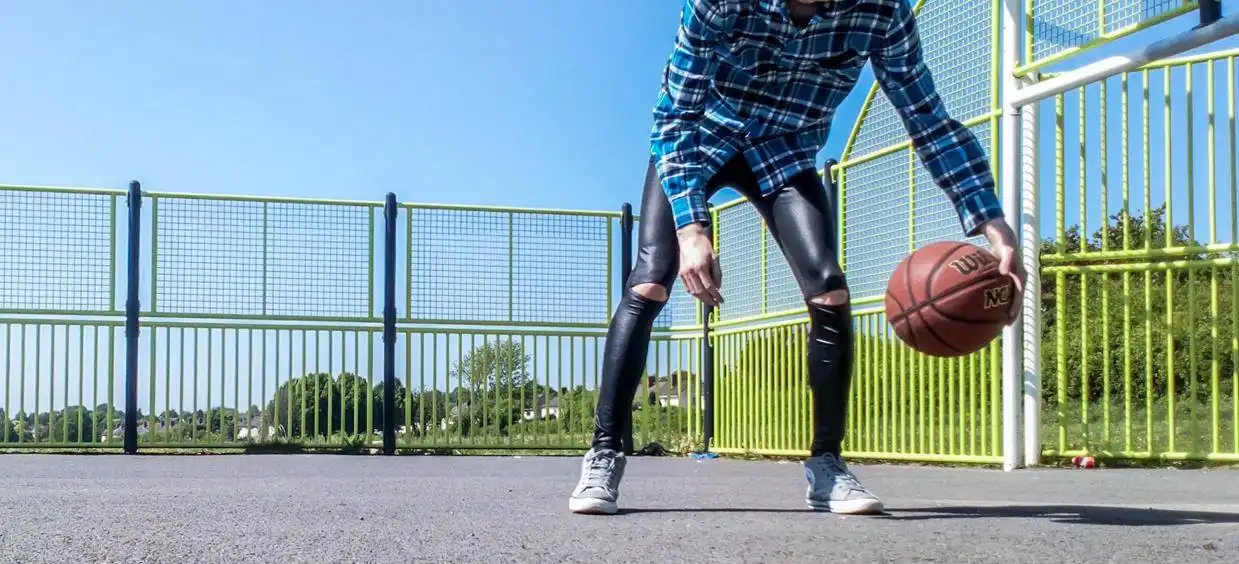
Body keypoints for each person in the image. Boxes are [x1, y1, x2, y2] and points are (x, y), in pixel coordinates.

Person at [569, 0, 1026, 515]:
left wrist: (993, 222)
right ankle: (604, 453)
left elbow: (928, 119)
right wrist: (692, 229)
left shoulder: (882, 12)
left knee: (829, 287)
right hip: (700, 138)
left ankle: (827, 466)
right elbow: (675, 115)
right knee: (651, 279)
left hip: (784, 149)